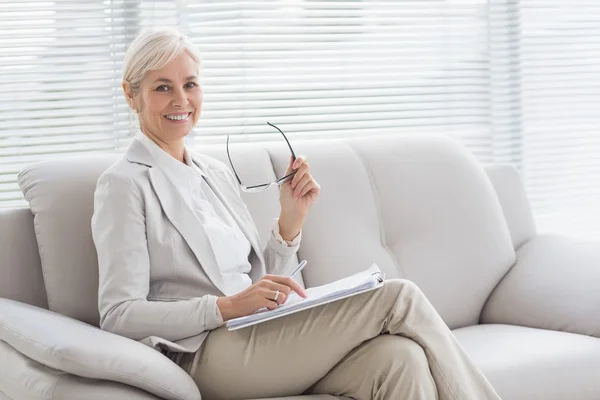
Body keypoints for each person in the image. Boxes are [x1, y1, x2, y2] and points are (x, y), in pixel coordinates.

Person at [91, 27, 502, 400]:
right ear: (131, 95)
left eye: (190, 84)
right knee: (399, 297)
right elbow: (118, 315)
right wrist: (223, 308)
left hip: (259, 334)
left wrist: (291, 220)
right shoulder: (124, 185)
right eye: (163, 87)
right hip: (205, 352)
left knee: (400, 359)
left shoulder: (213, 174)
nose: (181, 100)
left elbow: (260, 283)